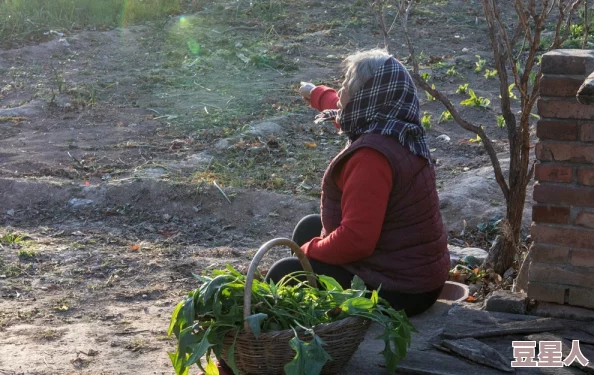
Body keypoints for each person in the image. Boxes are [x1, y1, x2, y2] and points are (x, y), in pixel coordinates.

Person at [265, 49, 450, 317]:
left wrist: (306, 253)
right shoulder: (397, 128)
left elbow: (356, 240)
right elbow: (345, 110)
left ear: (366, 97)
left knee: (285, 273)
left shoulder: (371, 159)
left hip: (402, 291)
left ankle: (271, 346)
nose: (339, 94)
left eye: (345, 86)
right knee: (309, 227)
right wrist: (317, 94)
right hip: (415, 273)